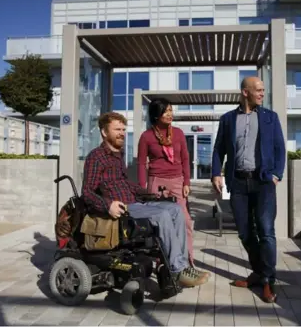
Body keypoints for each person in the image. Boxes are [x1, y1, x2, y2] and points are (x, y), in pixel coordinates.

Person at [81, 111, 208, 288]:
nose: (122, 133)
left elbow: (125, 183)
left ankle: (183, 265)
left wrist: (152, 195)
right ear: (104, 132)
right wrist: (107, 205)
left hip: (135, 202)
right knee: (162, 215)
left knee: (175, 208)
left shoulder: (118, 155)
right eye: (117, 129)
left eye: (124, 129)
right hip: (123, 208)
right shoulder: (96, 157)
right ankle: (177, 270)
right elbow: (86, 192)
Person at [210, 76, 286, 303]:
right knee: (244, 232)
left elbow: (280, 149)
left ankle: (268, 281)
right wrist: (216, 173)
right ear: (245, 92)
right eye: (258, 90)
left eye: (263, 89)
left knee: (266, 231)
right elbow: (218, 149)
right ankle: (259, 272)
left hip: (263, 183)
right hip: (238, 183)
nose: (262, 93)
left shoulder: (270, 118)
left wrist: (275, 175)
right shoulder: (228, 119)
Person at [137, 99, 196, 267]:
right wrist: (142, 188)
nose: (170, 114)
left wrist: (187, 182)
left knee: (185, 221)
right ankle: (161, 260)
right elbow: (141, 163)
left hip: (177, 181)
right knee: (158, 223)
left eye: (171, 110)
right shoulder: (146, 136)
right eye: (166, 111)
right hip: (156, 181)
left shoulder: (178, 133)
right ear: (156, 115)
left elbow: (185, 158)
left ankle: (187, 261)